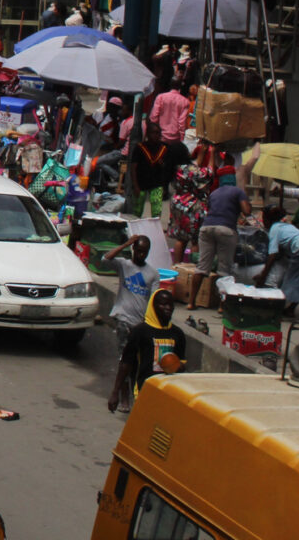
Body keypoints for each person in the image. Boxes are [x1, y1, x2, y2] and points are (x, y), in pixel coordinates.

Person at [108, 288, 186, 413]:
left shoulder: (177, 334)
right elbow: (125, 364)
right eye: (163, 304)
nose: (168, 308)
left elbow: (182, 365)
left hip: (168, 394)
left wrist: (175, 365)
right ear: (153, 306)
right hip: (144, 391)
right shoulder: (140, 332)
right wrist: (115, 392)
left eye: (171, 305)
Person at [187, 175, 250, 313]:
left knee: (202, 267)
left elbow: (211, 210)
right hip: (226, 230)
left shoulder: (214, 193)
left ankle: (191, 302)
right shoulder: (238, 192)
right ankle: (222, 306)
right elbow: (247, 211)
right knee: (224, 269)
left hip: (206, 228)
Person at [100, 235, 156, 367]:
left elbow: (153, 299)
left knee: (137, 355)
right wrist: (125, 244)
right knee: (125, 354)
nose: (141, 255)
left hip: (140, 321)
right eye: (139, 251)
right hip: (123, 318)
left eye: (145, 252)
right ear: (133, 249)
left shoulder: (153, 274)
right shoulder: (124, 265)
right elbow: (105, 259)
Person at [130, 121, 190, 219]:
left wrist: (165, 186)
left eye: (158, 133)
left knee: (156, 212)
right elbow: (133, 167)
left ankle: (155, 227)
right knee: (137, 211)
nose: (156, 135)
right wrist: (135, 185)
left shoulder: (164, 148)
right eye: (153, 133)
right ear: (147, 134)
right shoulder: (140, 148)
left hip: (157, 184)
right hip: (141, 183)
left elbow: (168, 168)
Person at [259, 205, 299, 313]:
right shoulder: (285, 226)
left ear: (267, 219)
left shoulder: (274, 229)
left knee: (290, 281)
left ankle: (277, 308)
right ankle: (291, 308)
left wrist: (262, 277)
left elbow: (272, 255)